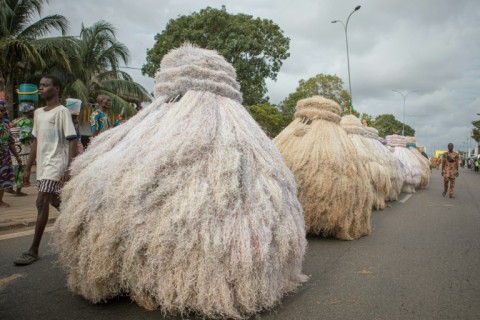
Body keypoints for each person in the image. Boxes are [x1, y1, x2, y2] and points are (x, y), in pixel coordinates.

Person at [14, 75, 77, 265]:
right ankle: (80, 224)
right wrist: (27, 169)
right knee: (57, 202)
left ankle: (33, 250)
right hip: (42, 167)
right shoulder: (39, 113)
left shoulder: (62, 112)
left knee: (41, 201)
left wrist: (69, 166)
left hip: (56, 164)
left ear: (56, 88)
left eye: (45, 85)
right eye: (40, 86)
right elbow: (35, 142)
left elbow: (72, 139)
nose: (40, 88)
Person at [7, 102, 35, 196]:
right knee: (22, 168)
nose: (33, 112)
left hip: (15, 147)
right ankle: (18, 191)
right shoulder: (27, 121)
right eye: (32, 110)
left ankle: (10, 188)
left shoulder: (15, 120)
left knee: (15, 167)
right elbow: (24, 135)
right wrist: (35, 137)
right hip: (23, 148)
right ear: (28, 111)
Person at [0, 104, 22, 207]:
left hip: (4, 157)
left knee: (3, 179)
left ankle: (0, 201)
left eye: (1, 111)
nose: (0, 113)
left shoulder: (5, 126)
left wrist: (17, 156)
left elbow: (11, 142)